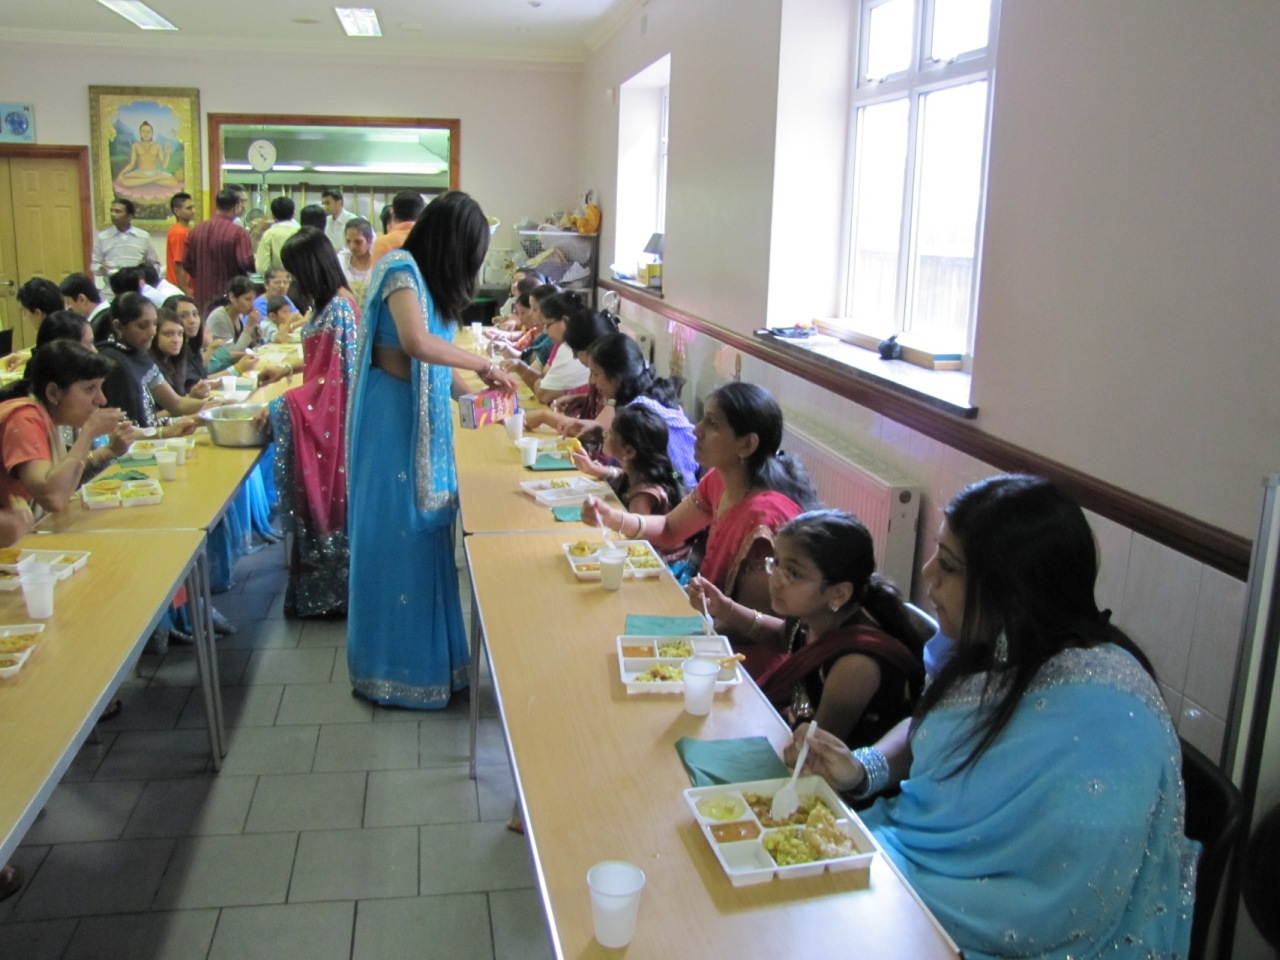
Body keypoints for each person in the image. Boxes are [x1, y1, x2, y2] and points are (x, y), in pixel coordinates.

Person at [789, 475, 1198, 960]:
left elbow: (1053, 912)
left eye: (949, 566)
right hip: (917, 860)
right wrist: (863, 768)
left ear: (1011, 587)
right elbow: (926, 727)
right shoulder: (997, 646)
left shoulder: (1105, 721)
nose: (927, 573)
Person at [347, 190, 518, 708]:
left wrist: (491, 402)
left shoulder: (430, 286)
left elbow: (439, 370)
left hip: (420, 418)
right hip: (390, 420)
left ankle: (438, 666)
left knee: (427, 536)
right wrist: (483, 366)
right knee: (394, 532)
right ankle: (391, 670)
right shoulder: (400, 269)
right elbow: (417, 345)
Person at [583, 382, 818, 676]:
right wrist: (614, 517)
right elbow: (669, 527)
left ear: (747, 444)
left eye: (712, 423)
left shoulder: (764, 519)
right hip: (709, 626)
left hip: (742, 663)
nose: (697, 430)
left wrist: (667, 620)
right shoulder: (719, 480)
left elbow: (761, 629)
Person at [694, 509, 925, 746]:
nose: (776, 579)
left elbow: (813, 752)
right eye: (777, 563)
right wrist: (725, 608)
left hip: (826, 774)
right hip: (794, 735)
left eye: (793, 573)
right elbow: (783, 636)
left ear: (839, 593)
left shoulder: (855, 664)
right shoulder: (816, 613)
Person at [259, 226, 360, 617]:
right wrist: (286, 369)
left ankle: (334, 597)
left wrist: (284, 404)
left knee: (330, 505)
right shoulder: (322, 304)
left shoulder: (339, 307)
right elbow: (322, 361)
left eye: (296, 269)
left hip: (333, 423)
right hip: (321, 412)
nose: (292, 279)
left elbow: (339, 379)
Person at [0, 340, 134, 514]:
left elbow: (64, 486)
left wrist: (109, 449)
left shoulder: (49, 415)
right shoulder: (24, 419)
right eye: (90, 389)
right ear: (53, 393)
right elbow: (53, 497)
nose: (101, 400)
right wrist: (88, 433)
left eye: (100, 388)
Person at [565, 333, 698, 490]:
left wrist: (602, 470)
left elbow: (673, 477)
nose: (592, 382)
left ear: (617, 376)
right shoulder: (642, 399)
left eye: (596, 374)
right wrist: (601, 435)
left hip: (672, 499)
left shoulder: (640, 413)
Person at [573, 403, 690, 564]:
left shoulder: (642, 496)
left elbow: (635, 547)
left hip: (663, 567)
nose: (605, 433)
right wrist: (593, 469)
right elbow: (620, 474)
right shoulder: (640, 474)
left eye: (612, 432)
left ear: (629, 452)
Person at [97, 292, 206, 431]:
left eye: (154, 324)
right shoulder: (112, 361)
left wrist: (220, 405)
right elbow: (129, 429)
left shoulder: (139, 354)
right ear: (118, 326)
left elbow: (176, 403)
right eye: (143, 326)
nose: (152, 332)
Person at [499, 290, 590, 404]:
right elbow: (542, 378)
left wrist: (539, 379)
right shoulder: (559, 345)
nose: (546, 330)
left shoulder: (569, 348)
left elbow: (543, 393)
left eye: (548, 325)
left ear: (565, 321)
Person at [182, 187, 254, 317]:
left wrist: (202, 275)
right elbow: (245, 262)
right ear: (236, 207)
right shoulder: (238, 232)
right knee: (225, 332)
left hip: (201, 294)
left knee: (204, 330)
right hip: (227, 296)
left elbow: (186, 262)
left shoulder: (196, 230)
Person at [90, 197, 159, 285]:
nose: (113, 214)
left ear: (129, 216)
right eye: (111, 211)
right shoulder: (102, 237)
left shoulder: (143, 236)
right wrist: (101, 268)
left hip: (137, 290)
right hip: (111, 291)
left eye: (118, 211)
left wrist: (144, 276)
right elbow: (94, 265)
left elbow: (154, 265)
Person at [149, 307, 209, 398]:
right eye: (168, 334)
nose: (176, 340)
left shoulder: (174, 362)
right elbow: (161, 411)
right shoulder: (150, 367)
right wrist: (190, 398)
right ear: (153, 335)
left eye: (180, 334)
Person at [162, 294, 210, 394]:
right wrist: (235, 370)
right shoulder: (171, 352)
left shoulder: (191, 346)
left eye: (195, 314)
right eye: (183, 316)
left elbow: (202, 380)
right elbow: (193, 385)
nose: (192, 320)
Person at [116, 121, 179, 189]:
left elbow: (164, 166)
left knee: (173, 182)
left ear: (152, 133)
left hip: (155, 172)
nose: (146, 134)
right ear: (140, 133)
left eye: (148, 132)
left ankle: (149, 179)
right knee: (124, 181)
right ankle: (154, 179)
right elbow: (131, 164)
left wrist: (168, 153)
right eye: (143, 131)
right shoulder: (136, 146)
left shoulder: (157, 146)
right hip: (140, 173)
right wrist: (120, 174)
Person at [370, 190, 424, 262]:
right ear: (422, 214)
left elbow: (377, 272)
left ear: (393, 213)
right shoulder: (431, 241)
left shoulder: (381, 243)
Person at [255, 196, 300, 274]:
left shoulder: (269, 234)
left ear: (273, 215)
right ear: (294, 214)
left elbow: (261, 267)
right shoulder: (302, 233)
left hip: (278, 281)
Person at [337, 217, 375, 305]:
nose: (352, 246)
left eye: (358, 242)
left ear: (369, 240)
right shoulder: (341, 261)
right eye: (348, 241)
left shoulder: (378, 262)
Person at [166, 191, 195, 293]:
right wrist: (186, 290)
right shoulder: (179, 232)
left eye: (193, 207)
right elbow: (179, 265)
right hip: (179, 288)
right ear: (177, 211)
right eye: (189, 208)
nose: (193, 211)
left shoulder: (186, 230)